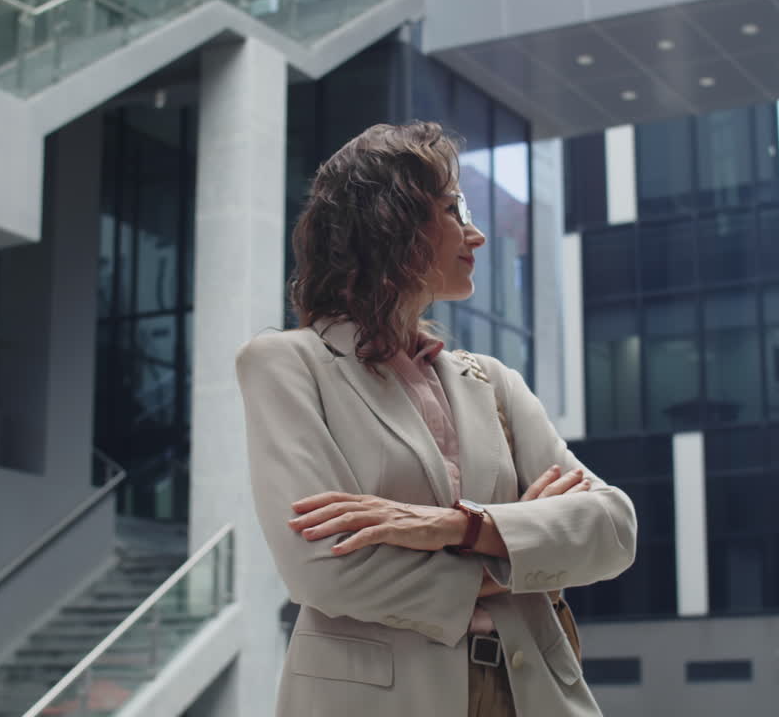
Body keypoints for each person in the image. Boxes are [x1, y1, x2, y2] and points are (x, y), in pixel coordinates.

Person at [236, 121, 637, 717]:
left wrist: (457, 527)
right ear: (388, 223)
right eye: (452, 209)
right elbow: (325, 571)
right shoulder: (288, 365)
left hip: (537, 694)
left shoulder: (493, 381)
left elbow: (612, 528)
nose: (475, 234)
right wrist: (521, 546)